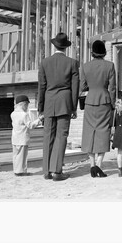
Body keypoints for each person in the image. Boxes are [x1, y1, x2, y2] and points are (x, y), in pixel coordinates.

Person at [37, 32, 79, 182]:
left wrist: (40, 108)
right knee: (61, 136)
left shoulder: (44, 62)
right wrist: (73, 108)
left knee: (48, 136)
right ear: (65, 47)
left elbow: (41, 86)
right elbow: (75, 87)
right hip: (65, 102)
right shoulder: (72, 63)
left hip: (48, 102)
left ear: (54, 45)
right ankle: (57, 171)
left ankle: (47, 171)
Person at [80, 40, 116, 178]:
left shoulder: (85, 66)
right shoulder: (110, 66)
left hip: (90, 102)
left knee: (89, 132)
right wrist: (112, 104)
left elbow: (82, 87)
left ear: (92, 53)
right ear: (104, 52)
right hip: (104, 101)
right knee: (103, 132)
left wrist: (92, 86)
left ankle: (91, 164)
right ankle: (99, 166)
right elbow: (112, 88)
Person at [10, 94, 42, 176]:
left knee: (16, 156)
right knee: (22, 157)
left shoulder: (13, 114)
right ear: (23, 104)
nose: (27, 107)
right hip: (23, 138)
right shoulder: (24, 115)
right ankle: (21, 172)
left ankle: (16, 171)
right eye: (27, 105)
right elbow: (30, 125)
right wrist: (39, 120)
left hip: (15, 138)